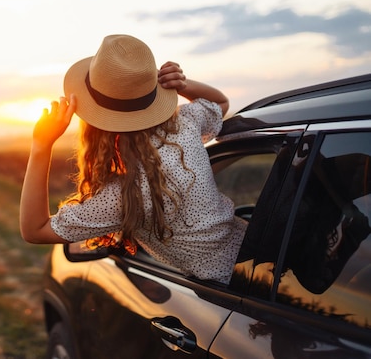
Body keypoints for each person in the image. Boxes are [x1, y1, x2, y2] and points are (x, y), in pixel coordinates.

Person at [19, 34, 247, 284]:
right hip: (256, 253)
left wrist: (42, 145)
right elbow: (220, 103)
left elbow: (35, 230)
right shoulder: (183, 126)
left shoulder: (125, 196)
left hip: (233, 285)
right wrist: (182, 84)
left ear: (94, 120)